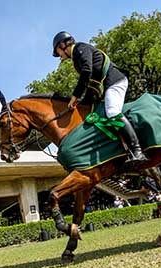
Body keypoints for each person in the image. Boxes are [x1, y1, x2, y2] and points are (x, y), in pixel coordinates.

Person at [52, 31, 148, 168]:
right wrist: (83, 103)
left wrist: (75, 96)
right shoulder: (76, 59)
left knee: (112, 112)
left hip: (115, 81)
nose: (60, 56)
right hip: (107, 86)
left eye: (58, 52)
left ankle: (137, 151)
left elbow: (87, 72)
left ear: (62, 45)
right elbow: (92, 84)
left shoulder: (80, 48)